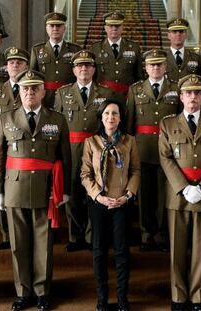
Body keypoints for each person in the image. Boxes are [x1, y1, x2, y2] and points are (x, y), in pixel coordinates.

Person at [0, 69, 71, 311]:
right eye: (26, 88)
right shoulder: (6, 117)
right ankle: (22, 291)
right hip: (14, 188)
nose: (30, 92)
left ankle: (42, 291)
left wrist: (64, 190)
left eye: (35, 88)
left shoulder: (57, 119)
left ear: (43, 91)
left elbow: (65, 158)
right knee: (18, 244)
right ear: (20, 91)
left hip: (45, 189)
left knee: (43, 244)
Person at [158, 74, 201, 311]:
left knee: (200, 250)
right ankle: (178, 295)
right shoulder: (168, 124)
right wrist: (184, 187)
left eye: (197, 93)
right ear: (181, 96)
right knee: (177, 250)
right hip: (178, 195)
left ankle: (197, 296)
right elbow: (165, 159)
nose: (193, 97)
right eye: (188, 93)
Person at [81, 99, 140, 311]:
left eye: (114, 113)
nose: (110, 117)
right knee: (99, 251)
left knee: (122, 251)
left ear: (120, 117)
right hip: (99, 203)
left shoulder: (129, 141)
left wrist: (128, 195)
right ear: (101, 117)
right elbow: (85, 174)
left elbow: (135, 171)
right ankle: (102, 298)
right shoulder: (91, 142)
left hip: (122, 203)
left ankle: (123, 297)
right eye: (106, 113)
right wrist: (98, 196)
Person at [54, 50, 113, 252]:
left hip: (96, 149)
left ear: (94, 69)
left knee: (94, 192)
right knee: (71, 194)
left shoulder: (105, 93)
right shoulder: (63, 93)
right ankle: (75, 235)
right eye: (80, 66)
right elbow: (57, 124)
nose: (84, 69)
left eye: (88, 65)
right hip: (70, 149)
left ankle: (92, 235)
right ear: (74, 70)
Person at [126, 49, 180, 252]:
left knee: (163, 194)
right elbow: (130, 123)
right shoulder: (136, 90)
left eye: (159, 64)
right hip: (143, 150)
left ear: (166, 67)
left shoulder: (176, 88)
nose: (156, 68)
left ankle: (161, 235)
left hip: (168, 151)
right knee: (145, 194)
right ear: (146, 68)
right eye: (152, 65)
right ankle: (146, 234)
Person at [0, 46, 29, 250]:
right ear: (6, 66)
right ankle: (6, 235)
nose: (15, 66)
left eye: (19, 63)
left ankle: (24, 231)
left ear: (26, 66)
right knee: (0, 185)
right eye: (11, 63)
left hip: (25, 149)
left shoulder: (32, 88)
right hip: (0, 146)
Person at [30, 12, 81, 109]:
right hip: (45, 98)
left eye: (58, 25)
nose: (55, 28)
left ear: (64, 28)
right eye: (52, 25)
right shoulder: (37, 50)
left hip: (69, 96)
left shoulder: (75, 50)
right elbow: (33, 77)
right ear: (46, 28)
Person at [91, 11, 144, 103]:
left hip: (127, 96)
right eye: (111, 26)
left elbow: (139, 76)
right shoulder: (95, 48)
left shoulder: (134, 48)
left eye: (117, 26)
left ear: (122, 27)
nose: (114, 28)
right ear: (105, 28)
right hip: (103, 96)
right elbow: (92, 76)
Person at [165, 17, 201, 82]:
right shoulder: (163, 58)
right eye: (174, 32)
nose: (178, 34)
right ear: (169, 35)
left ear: (186, 35)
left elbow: (200, 80)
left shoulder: (195, 58)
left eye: (181, 31)